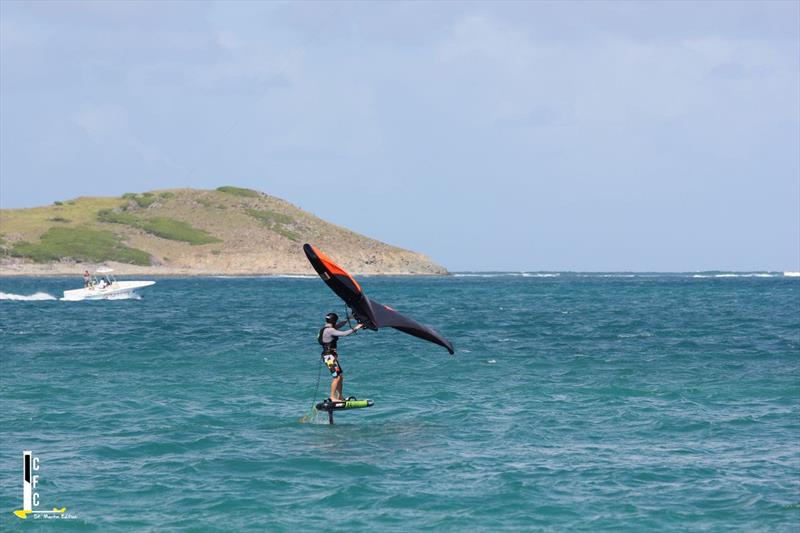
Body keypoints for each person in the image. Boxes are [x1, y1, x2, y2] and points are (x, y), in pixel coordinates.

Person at [318, 312, 363, 403]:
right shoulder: (330, 330)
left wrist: (348, 319)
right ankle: (332, 397)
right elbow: (344, 334)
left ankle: (340, 397)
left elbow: (339, 325)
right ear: (334, 321)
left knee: (340, 376)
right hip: (329, 357)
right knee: (336, 377)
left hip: (330, 356)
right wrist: (357, 327)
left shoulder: (326, 328)